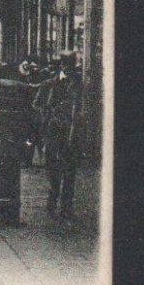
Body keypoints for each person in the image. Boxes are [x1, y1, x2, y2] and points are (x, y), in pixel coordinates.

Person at [42, 53, 83, 221]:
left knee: (70, 169)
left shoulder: (80, 83)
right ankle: (52, 199)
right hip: (53, 132)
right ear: (60, 65)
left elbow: (82, 106)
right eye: (65, 64)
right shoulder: (49, 83)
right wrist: (49, 119)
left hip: (71, 132)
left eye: (71, 64)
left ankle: (66, 206)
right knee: (52, 167)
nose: (68, 67)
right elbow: (39, 105)